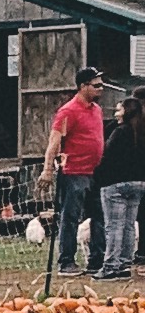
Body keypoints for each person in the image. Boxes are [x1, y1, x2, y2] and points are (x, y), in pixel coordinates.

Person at [46, 66, 107, 278]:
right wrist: (47, 169)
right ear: (83, 86)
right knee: (70, 216)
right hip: (74, 171)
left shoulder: (96, 110)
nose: (101, 89)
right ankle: (66, 261)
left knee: (99, 215)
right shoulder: (67, 111)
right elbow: (55, 141)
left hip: (95, 171)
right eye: (96, 85)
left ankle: (97, 259)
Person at [98, 88, 145, 281]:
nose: (116, 113)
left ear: (127, 112)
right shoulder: (141, 132)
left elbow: (106, 156)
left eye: (119, 109)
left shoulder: (120, 132)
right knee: (128, 226)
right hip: (139, 183)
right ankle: (125, 263)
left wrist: (99, 175)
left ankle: (111, 266)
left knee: (114, 226)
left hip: (115, 184)